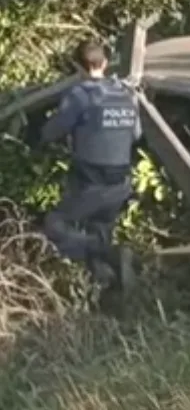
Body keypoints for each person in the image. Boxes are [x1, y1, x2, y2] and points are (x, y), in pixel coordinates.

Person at [39, 39, 142, 290]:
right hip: (121, 184)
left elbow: (51, 132)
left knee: (54, 225)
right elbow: (136, 134)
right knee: (98, 229)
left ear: (77, 66)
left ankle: (109, 252)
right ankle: (108, 295)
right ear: (105, 63)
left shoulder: (80, 95)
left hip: (91, 183)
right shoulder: (127, 94)